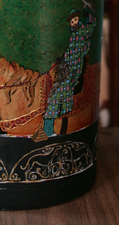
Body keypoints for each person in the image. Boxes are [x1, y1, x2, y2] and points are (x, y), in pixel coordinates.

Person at [38, 9, 96, 141]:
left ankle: (49, 131)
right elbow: (70, 51)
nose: (73, 23)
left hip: (74, 69)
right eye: (71, 21)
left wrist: (89, 14)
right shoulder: (73, 35)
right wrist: (62, 58)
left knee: (57, 95)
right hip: (67, 67)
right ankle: (49, 129)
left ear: (78, 19)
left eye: (75, 20)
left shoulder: (83, 30)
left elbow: (92, 26)